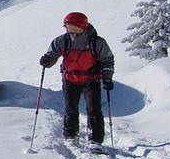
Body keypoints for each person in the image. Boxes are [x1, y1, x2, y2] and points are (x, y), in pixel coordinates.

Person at [39, 12, 115, 149]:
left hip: (92, 79)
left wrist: (107, 78)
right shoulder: (63, 41)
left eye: (67, 24)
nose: (65, 27)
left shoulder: (97, 42)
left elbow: (107, 60)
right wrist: (47, 60)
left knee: (94, 109)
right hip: (70, 78)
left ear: (77, 25)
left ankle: (95, 141)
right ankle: (71, 136)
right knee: (71, 109)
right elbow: (52, 54)